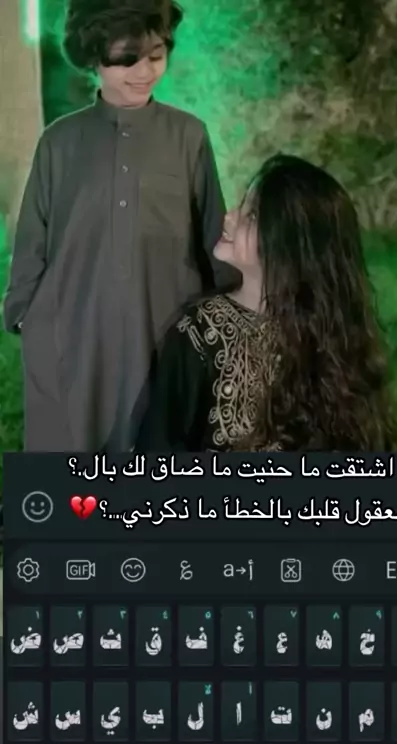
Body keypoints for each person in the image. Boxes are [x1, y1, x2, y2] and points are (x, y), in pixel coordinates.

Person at [3, 0, 237, 451]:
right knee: (71, 465)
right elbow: (33, 241)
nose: (144, 72)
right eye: (127, 59)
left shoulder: (188, 136)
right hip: (74, 338)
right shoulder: (59, 143)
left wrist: (231, 316)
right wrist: (27, 316)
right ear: (93, 56)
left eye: (156, 56)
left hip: (165, 333)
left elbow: (214, 237)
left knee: (162, 455)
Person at [136, 154, 397, 452]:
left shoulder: (336, 341)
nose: (229, 217)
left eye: (252, 216)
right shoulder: (200, 334)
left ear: (292, 246)